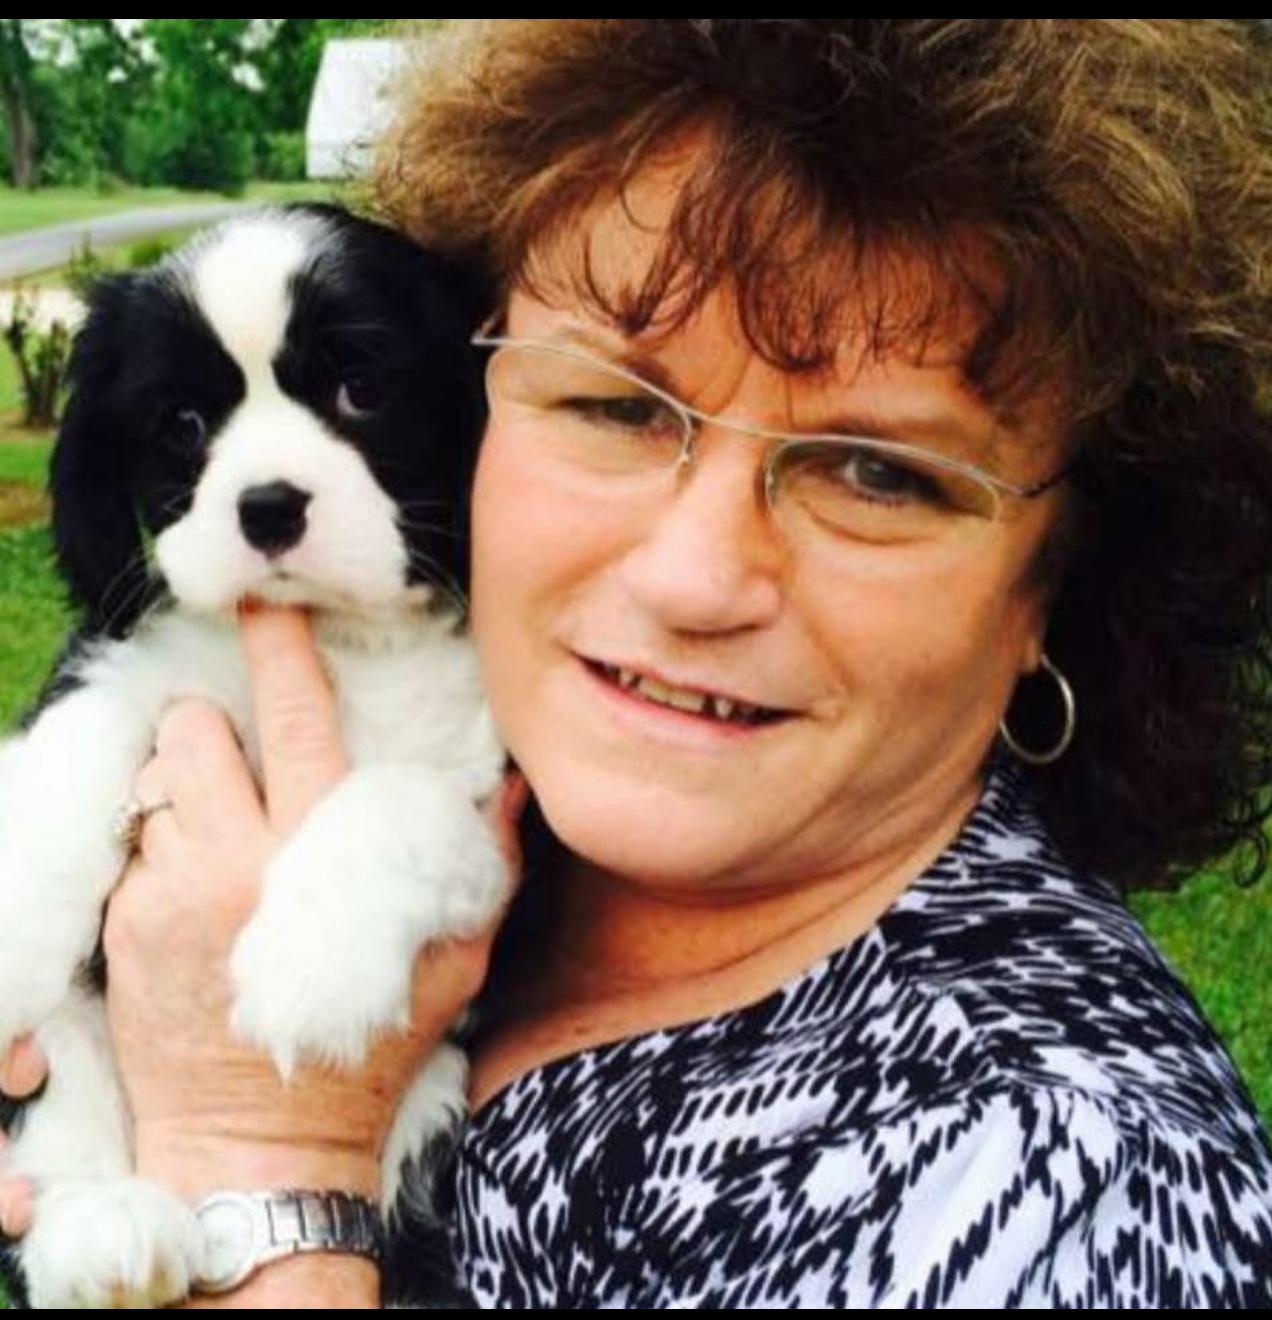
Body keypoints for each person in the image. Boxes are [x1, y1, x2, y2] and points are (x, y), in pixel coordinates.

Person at [5, 17, 1272, 1307]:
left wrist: (260, 1155)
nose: (693, 578)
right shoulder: (500, 817)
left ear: (1061, 580)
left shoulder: (1055, 1184)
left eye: (879, 473)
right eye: (616, 404)